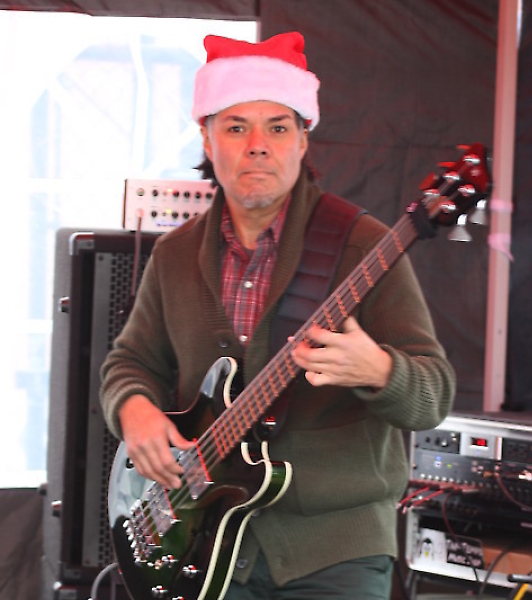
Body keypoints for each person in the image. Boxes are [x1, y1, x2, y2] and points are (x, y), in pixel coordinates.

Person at [100, 31, 456, 600]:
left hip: (335, 552)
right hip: (204, 546)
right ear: (206, 137)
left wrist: (381, 371)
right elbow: (130, 362)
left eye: (278, 127)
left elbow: (433, 395)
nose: (258, 146)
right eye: (236, 127)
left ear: (303, 140)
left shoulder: (365, 247)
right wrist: (133, 409)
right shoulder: (174, 255)